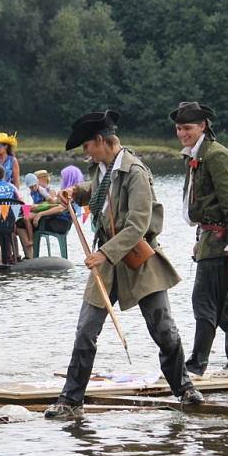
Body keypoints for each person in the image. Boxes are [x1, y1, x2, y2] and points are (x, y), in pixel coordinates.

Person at [44, 110, 203, 419]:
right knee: (86, 330)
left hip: (138, 258)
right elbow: (101, 195)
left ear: (102, 142)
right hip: (106, 261)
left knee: (163, 329)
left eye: (88, 146)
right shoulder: (100, 167)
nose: (85, 153)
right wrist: (76, 192)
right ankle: (70, 399)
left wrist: (104, 253)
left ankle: (184, 389)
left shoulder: (136, 172)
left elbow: (138, 224)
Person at [170, 101, 228, 379]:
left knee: (203, 302)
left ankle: (195, 367)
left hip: (222, 243)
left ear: (203, 126)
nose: (182, 133)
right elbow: (203, 204)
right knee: (227, 306)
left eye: (188, 128)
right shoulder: (195, 156)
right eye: (179, 128)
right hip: (209, 239)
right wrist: (199, 237)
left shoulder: (215, 155)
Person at [31, 165, 84, 235]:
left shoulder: (69, 194)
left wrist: (40, 214)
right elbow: (55, 204)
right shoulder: (74, 194)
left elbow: (60, 208)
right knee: (26, 220)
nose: (61, 180)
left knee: (24, 222)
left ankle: (29, 244)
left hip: (59, 223)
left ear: (69, 178)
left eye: (63, 178)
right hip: (60, 222)